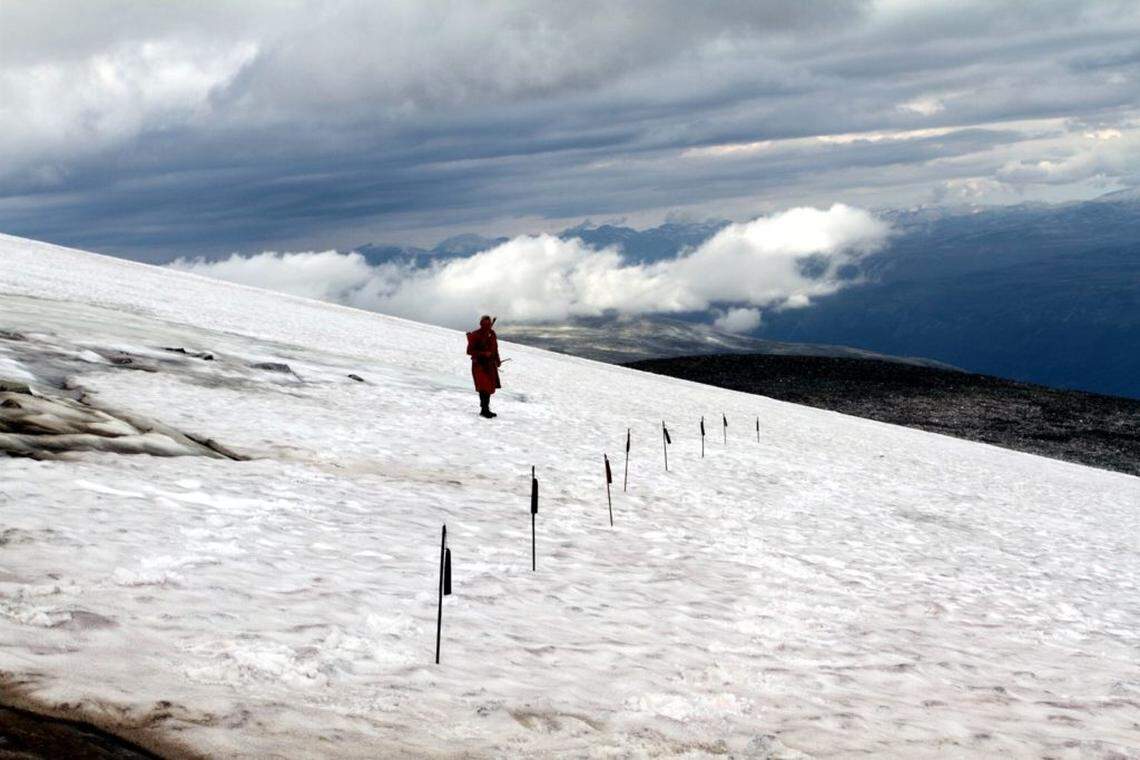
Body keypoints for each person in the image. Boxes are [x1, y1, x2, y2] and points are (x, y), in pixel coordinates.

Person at [466, 315, 501, 418]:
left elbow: (495, 349)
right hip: (479, 365)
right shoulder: (475, 335)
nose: (487, 325)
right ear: (481, 324)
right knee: (483, 387)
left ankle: (486, 409)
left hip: (490, 365)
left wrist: (497, 359)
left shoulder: (492, 334)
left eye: (488, 323)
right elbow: (469, 351)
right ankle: (484, 410)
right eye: (485, 323)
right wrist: (483, 353)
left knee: (489, 387)